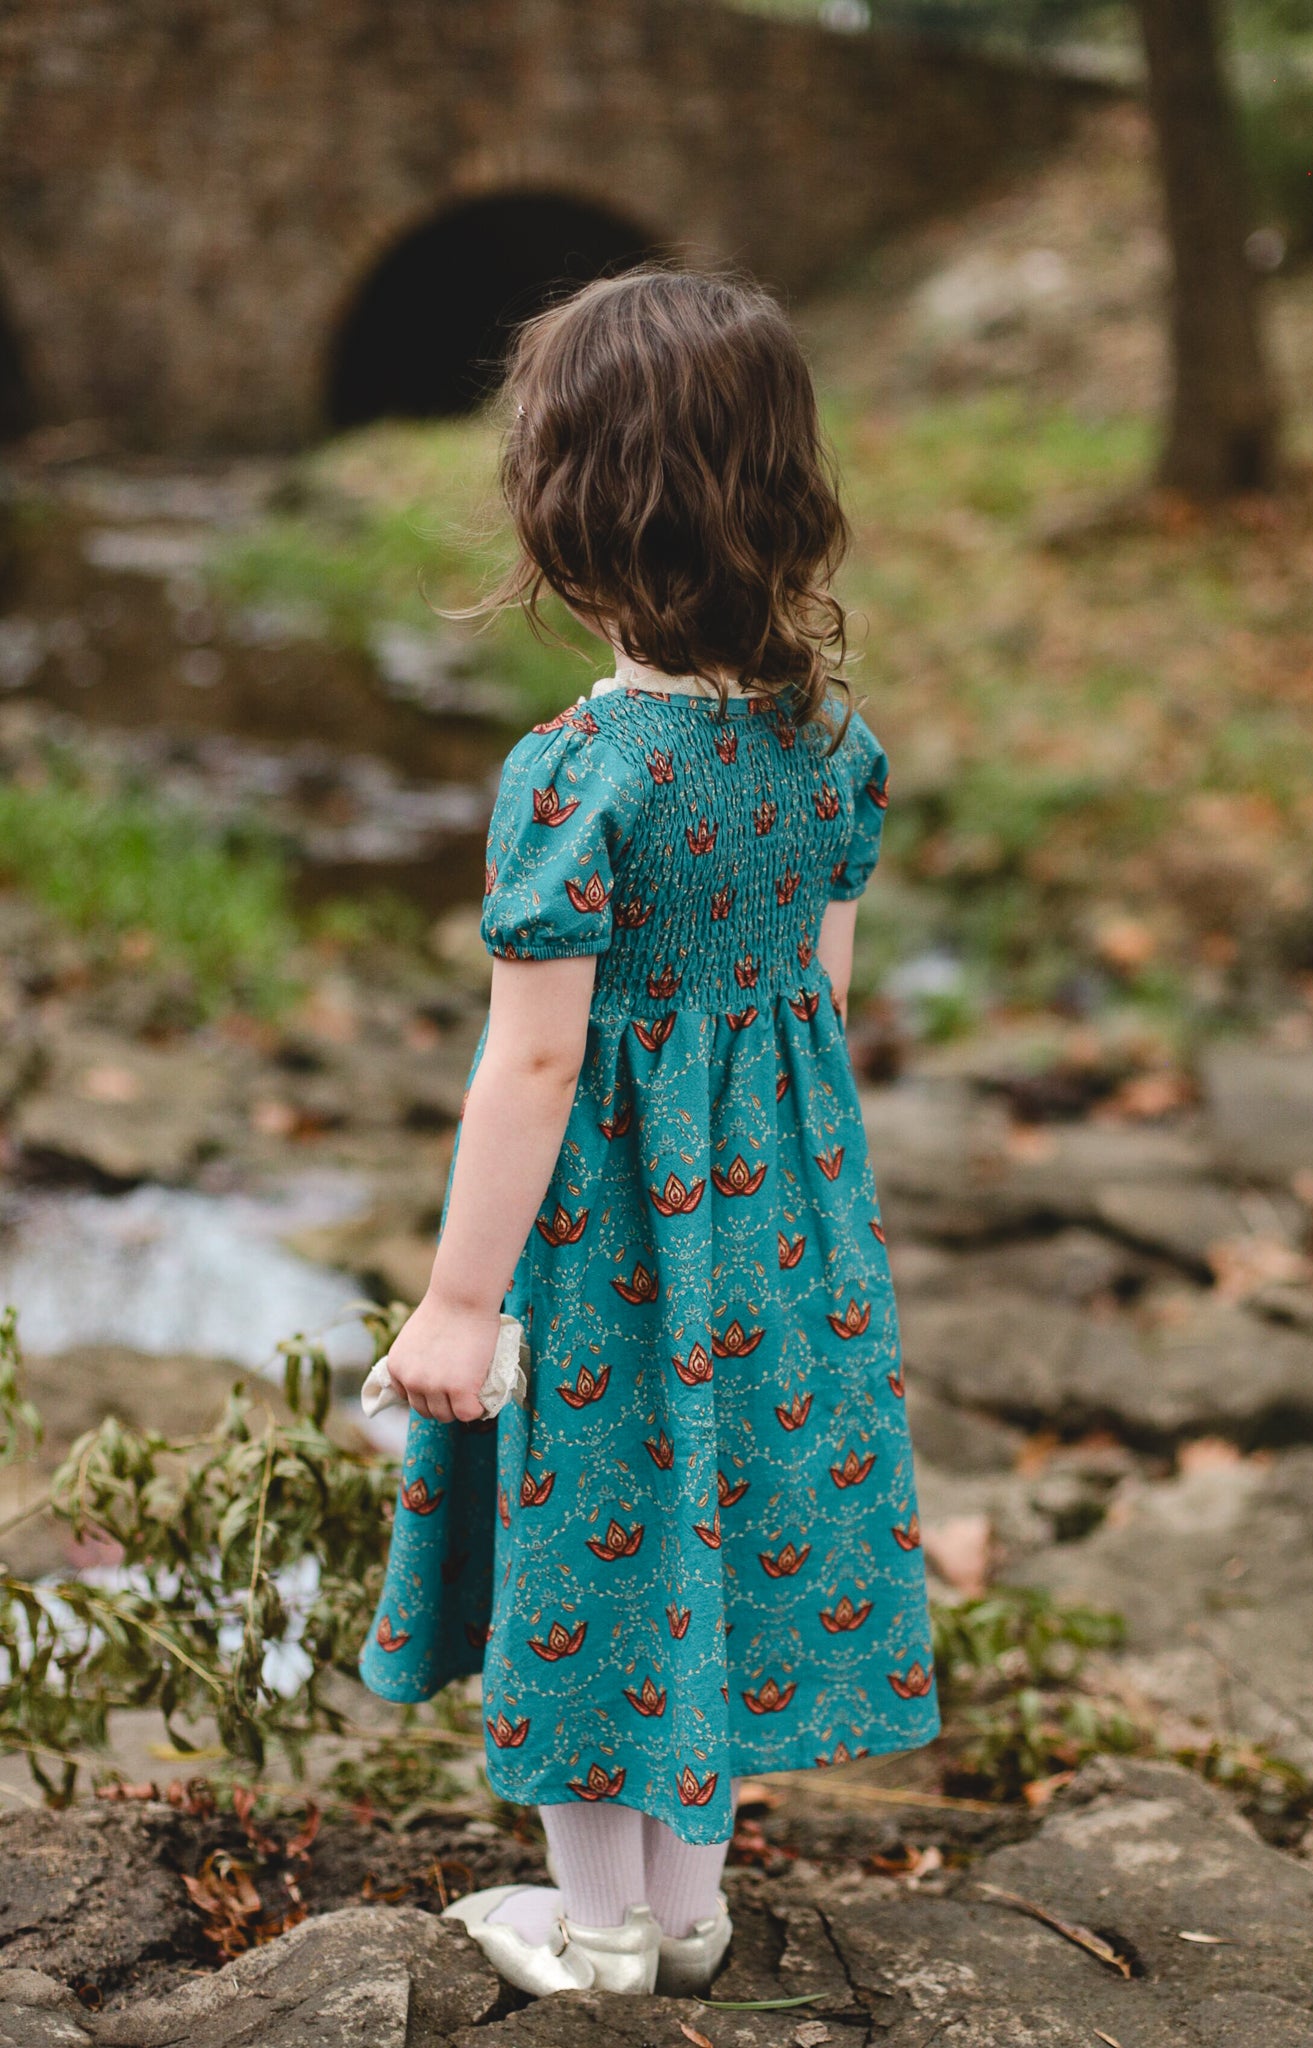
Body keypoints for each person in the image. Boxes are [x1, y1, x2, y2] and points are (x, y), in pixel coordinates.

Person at [359, 268, 939, 1999]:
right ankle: (688, 1915)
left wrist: (459, 1304)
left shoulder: (577, 773)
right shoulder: (831, 744)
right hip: (780, 1228)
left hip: (608, 1237)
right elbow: (817, 997)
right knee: (718, 1529)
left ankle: (603, 1924)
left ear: (566, 516)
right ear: (787, 497)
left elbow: (536, 1063)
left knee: (592, 1541)